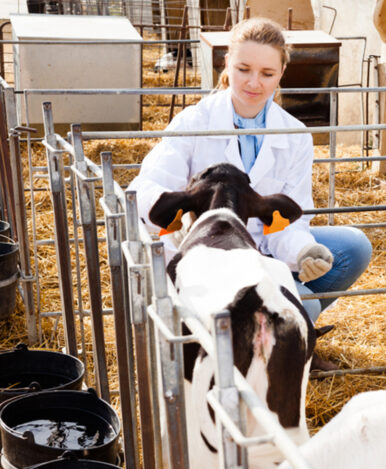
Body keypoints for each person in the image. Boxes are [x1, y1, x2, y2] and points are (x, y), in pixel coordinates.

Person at [129, 17, 372, 369]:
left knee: (354, 247)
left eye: (267, 73)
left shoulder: (295, 134)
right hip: (210, 255)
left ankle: (276, 326)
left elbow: (292, 216)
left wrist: (302, 251)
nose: (254, 83)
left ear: (282, 73)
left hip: (263, 246)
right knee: (307, 306)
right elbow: (146, 187)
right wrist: (178, 218)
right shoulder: (194, 122)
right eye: (243, 68)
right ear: (227, 62)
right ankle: (285, 335)